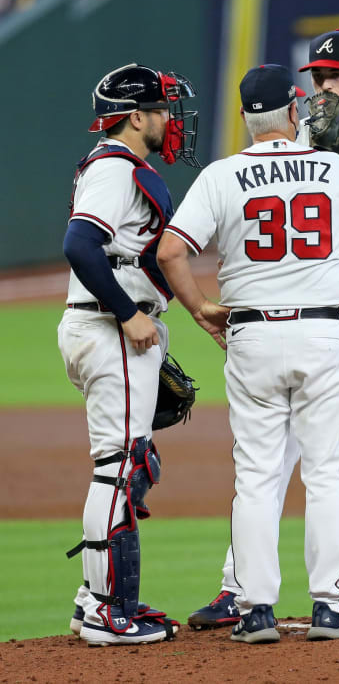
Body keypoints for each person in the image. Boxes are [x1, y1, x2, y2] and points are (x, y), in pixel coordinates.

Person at [188, 30, 339, 628]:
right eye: (316, 78)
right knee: (278, 454)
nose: (324, 86)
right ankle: (238, 585)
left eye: (335, 75)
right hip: (308, 305)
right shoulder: (296, 146)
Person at [157, 63, 339, 643]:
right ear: (295, 112)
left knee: (255, 475)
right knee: (327, 471)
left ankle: (256, 612)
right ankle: (329, 606)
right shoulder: (333, 167)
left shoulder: (222, 176)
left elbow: (171, 252)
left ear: (247, 118)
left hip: (250, 334)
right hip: (324, 333)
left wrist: (202, 308)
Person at [58, 62, 200, 646]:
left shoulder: (119, 166)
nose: (171, 121)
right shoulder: (115, 168)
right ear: (136, 116)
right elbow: (79, 245)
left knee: (129, 467)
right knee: (118, 469)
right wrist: (129, 312)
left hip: (105, 328)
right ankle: (106, 611)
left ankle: (98, 599)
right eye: (164, 110)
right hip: (106, 328)